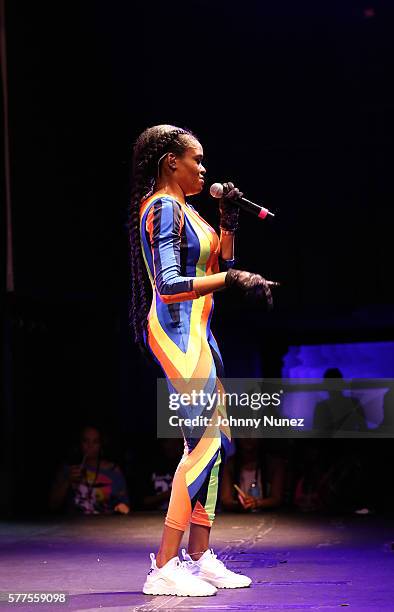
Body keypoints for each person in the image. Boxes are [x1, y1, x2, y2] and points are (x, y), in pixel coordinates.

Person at [128, 124, 276, 597]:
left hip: (199, 332)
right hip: (175, 333)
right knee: (204, 445)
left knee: (216, 446)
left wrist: (228, 222)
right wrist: (233, 283)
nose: (204, 168)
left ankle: (200, 555)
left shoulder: (188, 211)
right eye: (197, 159)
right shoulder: (162, 208)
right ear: (171, 161)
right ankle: (165, 564)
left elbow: (220, 269)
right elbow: (170, 286)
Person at [49, 425, 130, 515]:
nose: (90, 446)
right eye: (85, 441)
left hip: (105, 525)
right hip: (73, 526)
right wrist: (67, 481)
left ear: (101, 445)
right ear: (79, 443)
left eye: (95, 442)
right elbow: (52, 505)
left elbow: (124, 504)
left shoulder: (113, 471)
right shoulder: (69, 468)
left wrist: (120, 507)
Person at [220, 438, 286, 512]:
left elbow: (277, 499)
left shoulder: (274, 464)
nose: (248, 437)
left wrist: (257, 503)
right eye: (244, 432)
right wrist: (239, 504)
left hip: (270, 519)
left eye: (253, 432)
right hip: (238, 519)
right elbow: (225, 499)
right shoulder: (229, 465)